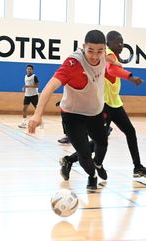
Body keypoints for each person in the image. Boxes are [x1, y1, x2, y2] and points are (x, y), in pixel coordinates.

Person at [60, 30, 146, 181]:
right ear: (108, 44)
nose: (122, 45)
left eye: (123, 42)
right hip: (102, 104)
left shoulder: (111, 56)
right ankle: (73, 161)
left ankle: (137, 167)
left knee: (128, 132)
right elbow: (112, 69)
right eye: (118, 42)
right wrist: (130, 77)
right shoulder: (106, 54)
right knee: (100, 140)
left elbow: (114, 67)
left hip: (115, 103)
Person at [28, 30, 108, 191]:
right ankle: (92, 176)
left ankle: (98, 164)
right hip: (73, 115)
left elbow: (112, 61)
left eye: (99, 51)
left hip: (95, 112)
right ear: (83, 47)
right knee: (84, 153)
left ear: (104, 50)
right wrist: (37, 114)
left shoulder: (104, 56)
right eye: (90, 50)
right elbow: (50, 87)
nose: (94, 56)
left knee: (103, 143)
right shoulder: (72, 64)